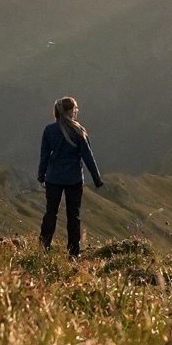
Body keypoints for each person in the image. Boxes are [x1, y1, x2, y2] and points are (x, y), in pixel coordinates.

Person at [38, 96, 102, 257]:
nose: (77, 111)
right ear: (69, 111)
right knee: (74, 215)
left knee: (51, 212)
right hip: (73, 179)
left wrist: (41, 176)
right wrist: (97, 179)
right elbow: (88, 157)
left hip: (53, 178)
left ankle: (44, 246)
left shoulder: (49, 130)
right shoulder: (79, 131)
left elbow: (44, 155)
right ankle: (73, 252)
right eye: (75, 109)